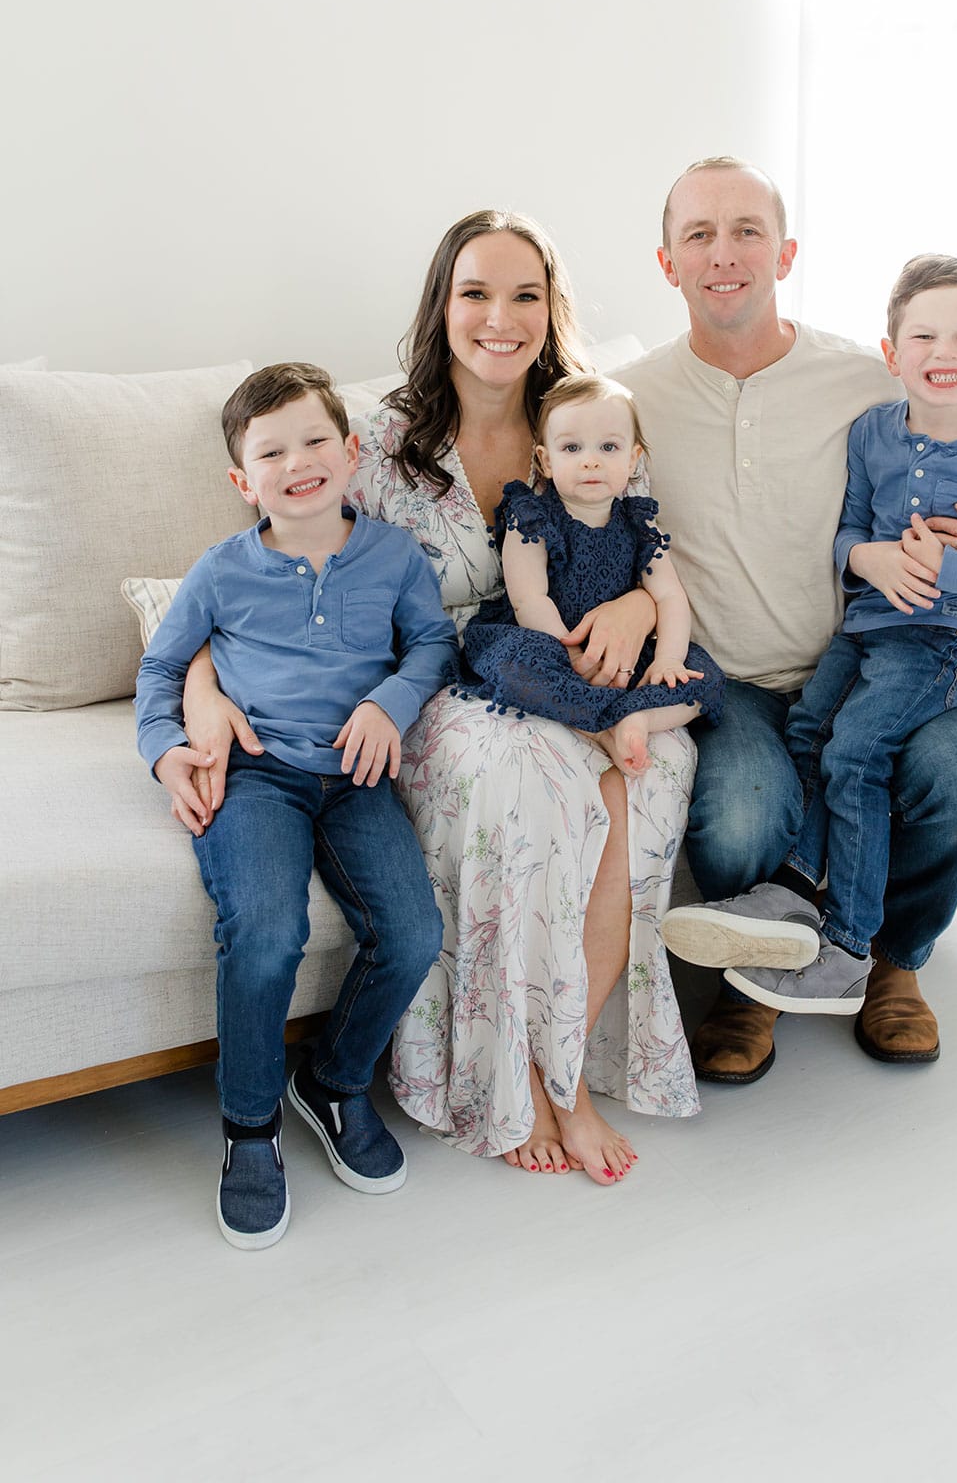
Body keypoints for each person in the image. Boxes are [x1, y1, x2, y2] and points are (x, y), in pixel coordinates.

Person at [181, 212, 702, 1188]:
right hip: (442, 688)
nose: (499, 318)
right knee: (525, 783)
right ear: (442, 304)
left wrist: (635, 602)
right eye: (476, 293)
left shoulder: (589, 418)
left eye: (524, 296)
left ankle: (564, 1070)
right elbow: (260, 578)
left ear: (552, 311)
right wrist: (201, 689)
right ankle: (535, 1089)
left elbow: (646, 548)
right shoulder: (376, 443)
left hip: (578, 670)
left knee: (644, 775)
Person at [617, 158, 957, 1083]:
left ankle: (893, 960)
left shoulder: (860, 379)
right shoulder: (629, 397)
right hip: (735, 687)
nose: (725, 254)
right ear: (667, 262)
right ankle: (752, 983)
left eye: (748, 231)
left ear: (786, 252)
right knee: (742, 814)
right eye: (700, 235)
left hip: (876, 666)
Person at [677, 254, 957, 1016]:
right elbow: (849, 532)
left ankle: (853, 949)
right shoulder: (871, 433)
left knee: (856, 752)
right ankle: (789, 896)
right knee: (806, 736)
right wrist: (867, 557)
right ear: (892, 355)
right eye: (923, 335)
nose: (944, 352)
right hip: (863, 632)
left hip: (939, 644)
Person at [135, 363, 457, 1249]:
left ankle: (335, 1080)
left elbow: (432, 645)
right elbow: (161, 672)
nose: (299, 461)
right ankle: (249, 1128)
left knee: (414, 932)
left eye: (316, 439)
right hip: (256, 777)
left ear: (351, 453)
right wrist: (167, 753)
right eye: (271, 452)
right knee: (268, 930)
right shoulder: (221, 571)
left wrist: (387, 704)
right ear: (244, 482)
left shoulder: (393, 556)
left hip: (356, 778)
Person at [457, 372, 725, 775]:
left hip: (625, 653)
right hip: (551, 641)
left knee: (704, 678)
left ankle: (638, 719)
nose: (591, 459)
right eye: (572, 447)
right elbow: (529, 598)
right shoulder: (533, 517)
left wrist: (668, 657)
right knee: (517, 665)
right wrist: (570, 654)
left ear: (633, 459)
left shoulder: (638, 525)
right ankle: (603, 728)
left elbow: (669, 595)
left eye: (608, 447)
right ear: (546, 460)